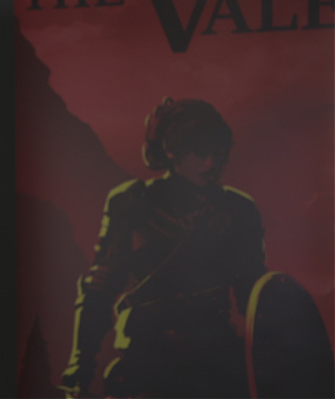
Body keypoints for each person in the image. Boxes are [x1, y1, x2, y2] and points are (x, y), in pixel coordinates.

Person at [61, 97, 268, 398]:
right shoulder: (133, 202)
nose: (211, 163)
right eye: (200, 151)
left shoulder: (238, 210)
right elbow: (100, 287)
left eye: (217, 152)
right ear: (173, 150)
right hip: (147, 360)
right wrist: (79, 372)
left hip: (216, 363)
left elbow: (257, 298)